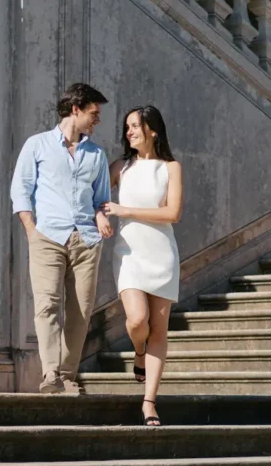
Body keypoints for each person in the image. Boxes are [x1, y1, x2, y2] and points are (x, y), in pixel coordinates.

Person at [11, 83, 113, 394]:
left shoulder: (96, 154)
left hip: (86, 240)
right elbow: (20, 190)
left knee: (81, 310)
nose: (97, 120)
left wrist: (100, 218)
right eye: (94, 114)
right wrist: (32, 231)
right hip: (47, 237)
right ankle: (50, 374)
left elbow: (101, 199)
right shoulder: (37, 145)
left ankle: (68, 376)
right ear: (75, 109)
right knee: (47, 306)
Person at [103, 106, 183, 426]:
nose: (129, 132)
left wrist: (126, 210)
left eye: (135, 126)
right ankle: (138, 351)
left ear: (152, 129)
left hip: (162, 255)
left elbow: (172, 214)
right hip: (129, 254)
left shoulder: (171, 168)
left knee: (159, 330)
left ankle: (149, 402)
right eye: (127, 127)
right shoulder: (120, 167)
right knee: (137, 321)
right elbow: (94, 196)